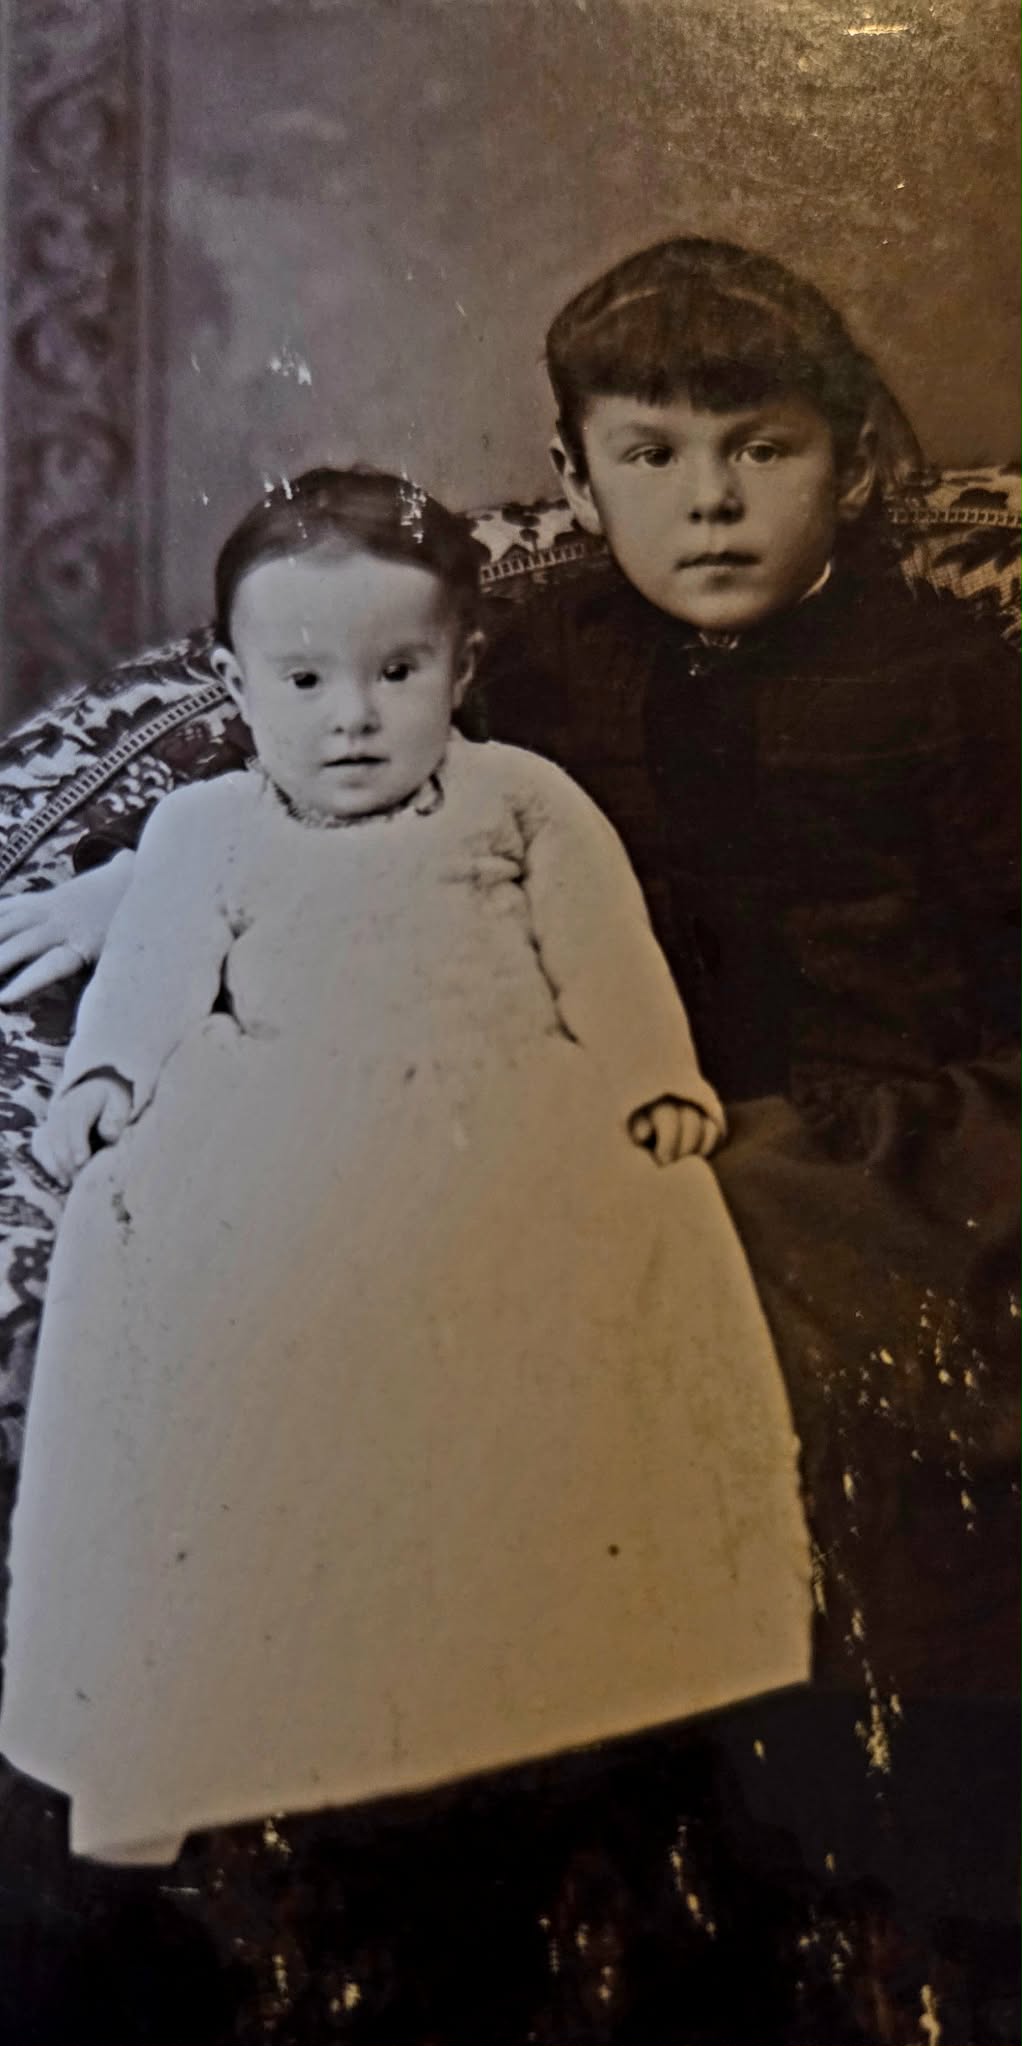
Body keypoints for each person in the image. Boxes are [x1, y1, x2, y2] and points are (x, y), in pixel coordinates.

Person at [0, 464, 810, 1872]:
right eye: (304, 679)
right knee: (157, 1262)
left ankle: (572, 1702)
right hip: (273, 1104)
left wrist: (652, 1081)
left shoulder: (519, 802)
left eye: (395, 670)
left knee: (629, 1238)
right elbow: (150, 979)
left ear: (460, 664)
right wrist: (106, 1085)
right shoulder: (205, 830)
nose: (353, 716)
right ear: (237, 681)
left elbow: (604, 957)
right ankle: (196, 1717)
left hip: (501, 1096)